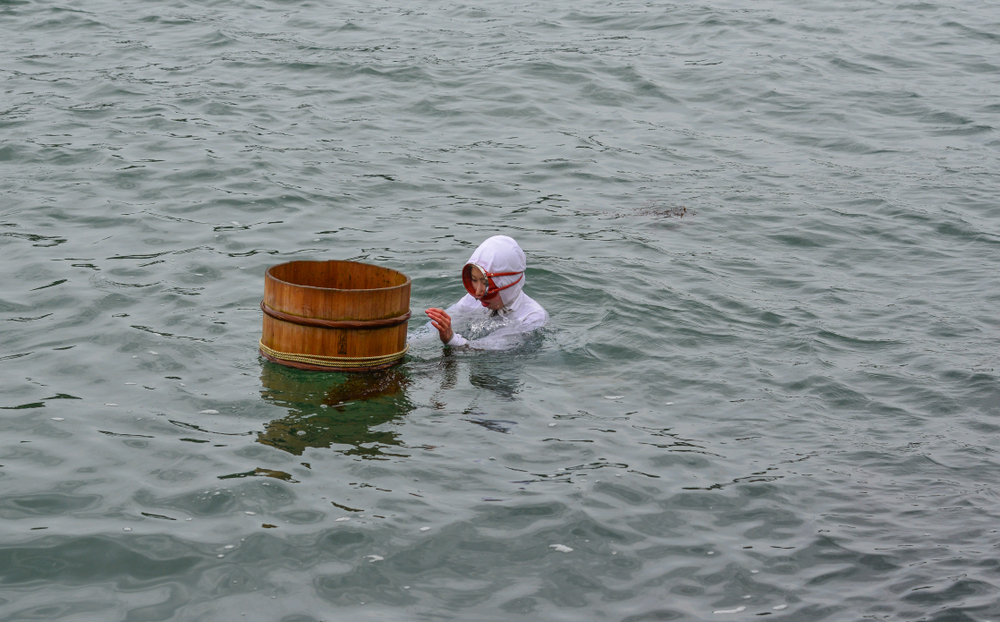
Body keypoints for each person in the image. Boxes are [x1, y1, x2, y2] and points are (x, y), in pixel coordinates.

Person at [425, 235, 548, 349]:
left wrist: (452, 339)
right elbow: (434, 329)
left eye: (485, 283)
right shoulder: (472, 300)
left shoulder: (532, 317)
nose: (478, 293)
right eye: (474, 280)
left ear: (507, 284)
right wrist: (407, 340)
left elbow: (492, 348)